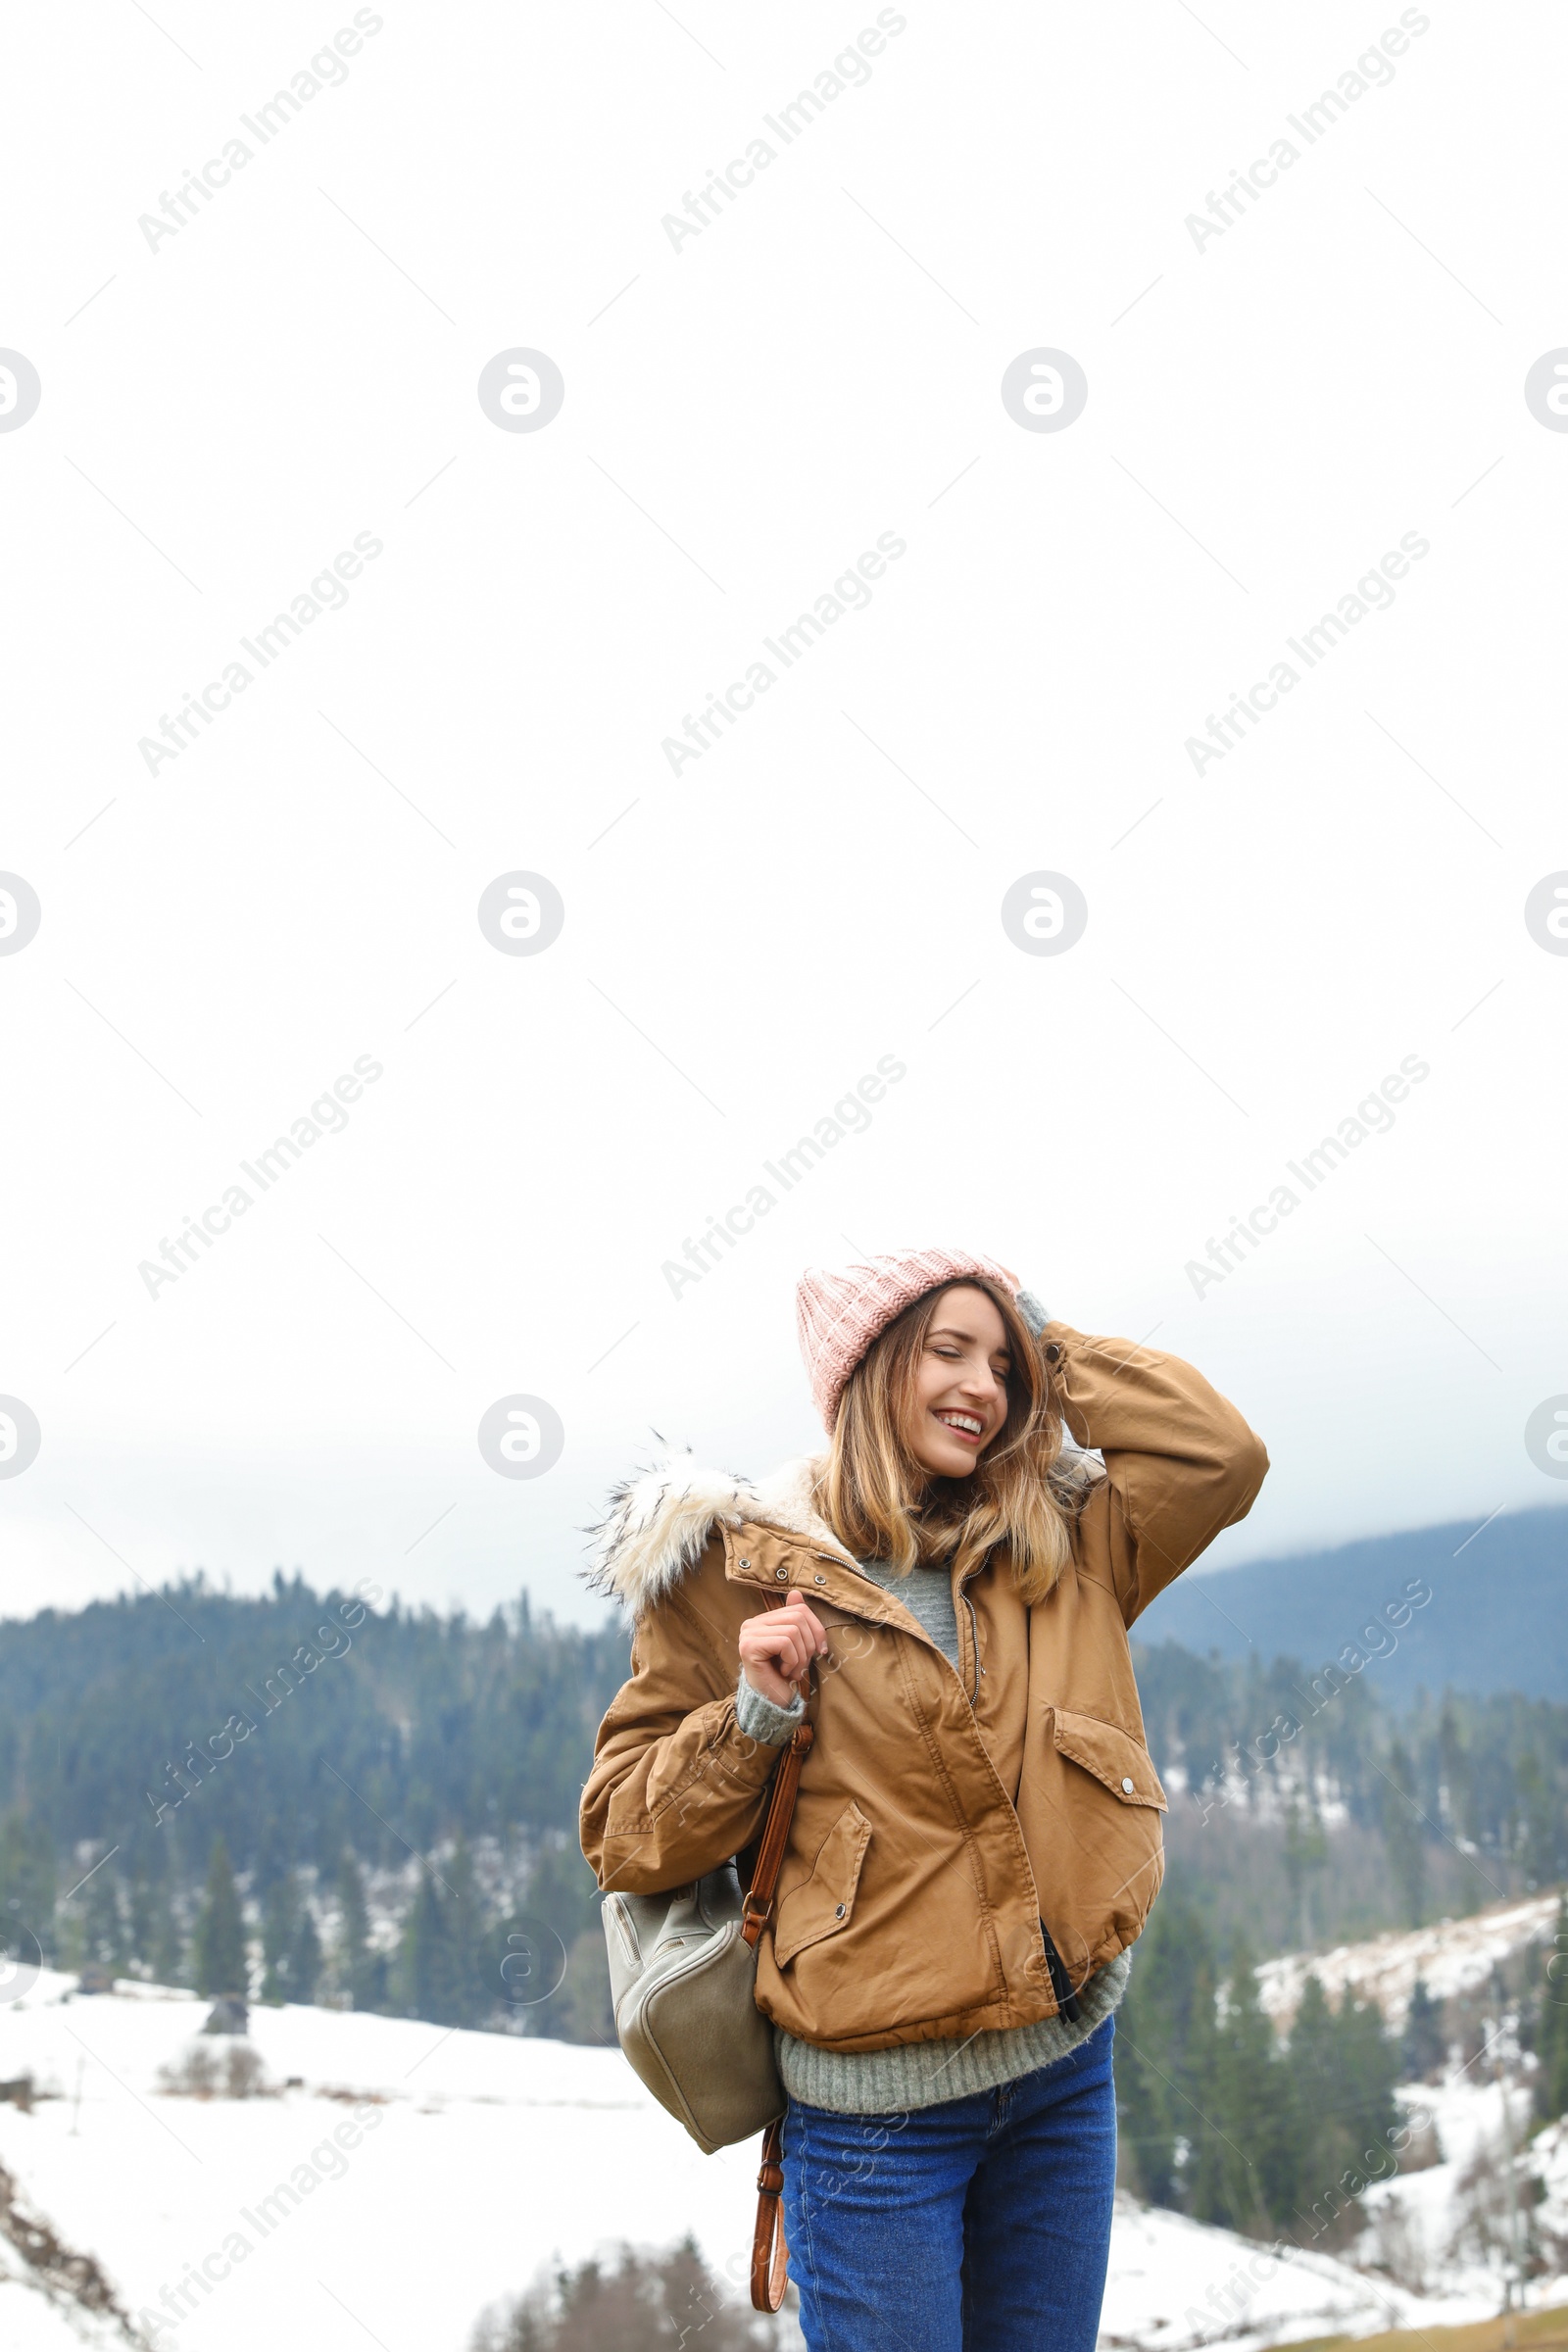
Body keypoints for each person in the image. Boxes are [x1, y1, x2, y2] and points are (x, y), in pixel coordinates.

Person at [580, 1248, 1268, 2352]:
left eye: (1003, 1365)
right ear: (867, 1371)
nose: (982, 1388)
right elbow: (622, 1834)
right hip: (874, 2124)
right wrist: (750, 1716)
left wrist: (1051, 1348)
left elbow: (1220, 1456)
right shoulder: (736, 1572)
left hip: (1059, 2079)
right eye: (948, 1351)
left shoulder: (1059, 1532)